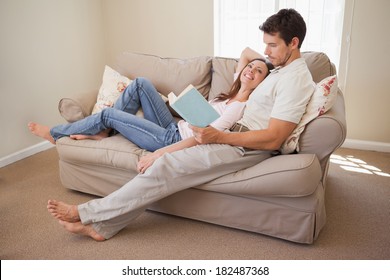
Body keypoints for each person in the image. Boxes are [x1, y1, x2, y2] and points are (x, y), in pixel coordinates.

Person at [47, 8, 315, 241]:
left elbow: (274, 139)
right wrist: (268, 59)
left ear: (293, 43)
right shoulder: (282, 68)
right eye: (265, 44)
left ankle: (85, 213)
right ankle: (103, 228)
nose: (266, 52)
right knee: (165, 170)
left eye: (272, 45)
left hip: (244, 146)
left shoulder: (295, 79)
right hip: (235, 137)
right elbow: (254, 56)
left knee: (165, 165)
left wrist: (218, 137)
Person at [28, 57, 272, 153]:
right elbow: (246, 53)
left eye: (258, 71)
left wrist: (164, 152)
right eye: (250, 67)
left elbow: (209, 135)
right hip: (175, 126)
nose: (250, 70)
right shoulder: (233, 90)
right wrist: (262, 61)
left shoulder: (239, 106)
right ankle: (104, 132)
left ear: (263, 82)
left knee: (109, 114)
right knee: (141, 84)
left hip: (173, 140)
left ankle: (55, 133)